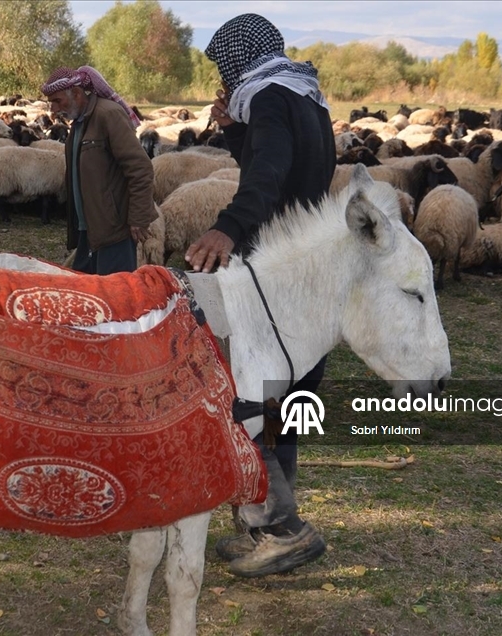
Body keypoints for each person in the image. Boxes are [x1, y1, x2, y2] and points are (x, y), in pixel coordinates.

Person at [185, 13, 337, 578]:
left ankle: (281, 529)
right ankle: (265, 526)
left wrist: (229, 226)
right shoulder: (304, 95)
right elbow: (285, 166)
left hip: (277, 274)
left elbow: (268, 175)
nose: (223, 75)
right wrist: (235, 128)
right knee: (287, 399)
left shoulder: (271, 95)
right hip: (308, 270)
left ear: (239, 56)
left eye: (225, 63)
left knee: (251, 397)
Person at [41, 66, 157, 275]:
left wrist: (139, 217)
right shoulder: (78, 124)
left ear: (76, 93)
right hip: (90, 228)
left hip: (113, 230)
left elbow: (140, 168)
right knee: (87, 294)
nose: (53, 110)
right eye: (51, 103)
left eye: (57, 101)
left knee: (115, 295)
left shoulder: (108, 115)